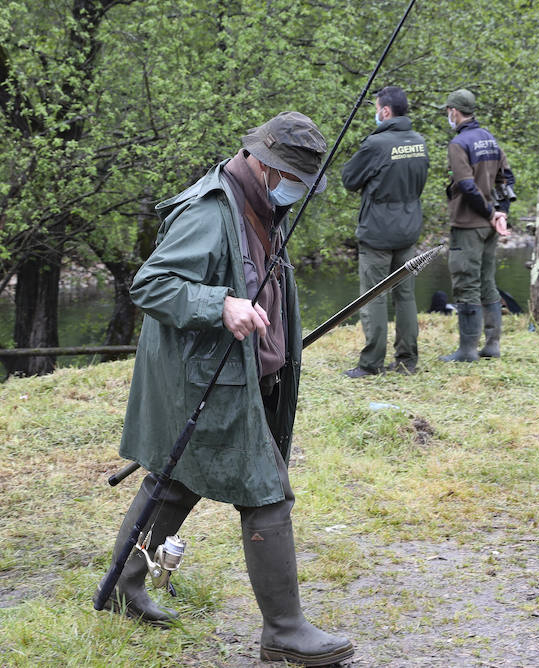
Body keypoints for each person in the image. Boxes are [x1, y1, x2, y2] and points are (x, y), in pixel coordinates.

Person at [97, 112, 353, 667]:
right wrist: (221, 304)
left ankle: (124, 587)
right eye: (291, 177)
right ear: (263, 165)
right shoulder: (211, 212)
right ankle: (283, 631)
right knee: (266, 493)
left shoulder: (260, 203)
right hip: (208, 378)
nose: (297, 190)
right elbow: (153, 284)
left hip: (236, 372)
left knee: (174, 481)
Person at [340, 85, 429, 377]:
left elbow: (349, 179)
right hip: (408, 229)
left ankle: (371, 364)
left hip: (378, 232)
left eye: (376, 108)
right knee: (405, 296)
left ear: (386, 111)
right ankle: (407, 361)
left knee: (374, 296)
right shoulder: (419, 142)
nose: (375, 113)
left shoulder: (376, 145)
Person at [439, 88, 515, 362]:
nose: (448, 115)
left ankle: (467, 349)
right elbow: (507, 179)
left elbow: (466, 186)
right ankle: (492, 344)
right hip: (489, 226)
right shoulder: (489, 140)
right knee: (487, 281)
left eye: (448, 111)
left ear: (454, 112)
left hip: (469, 224)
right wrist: (500, 213)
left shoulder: (459, 144)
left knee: (466, 283)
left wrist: (488, 212)